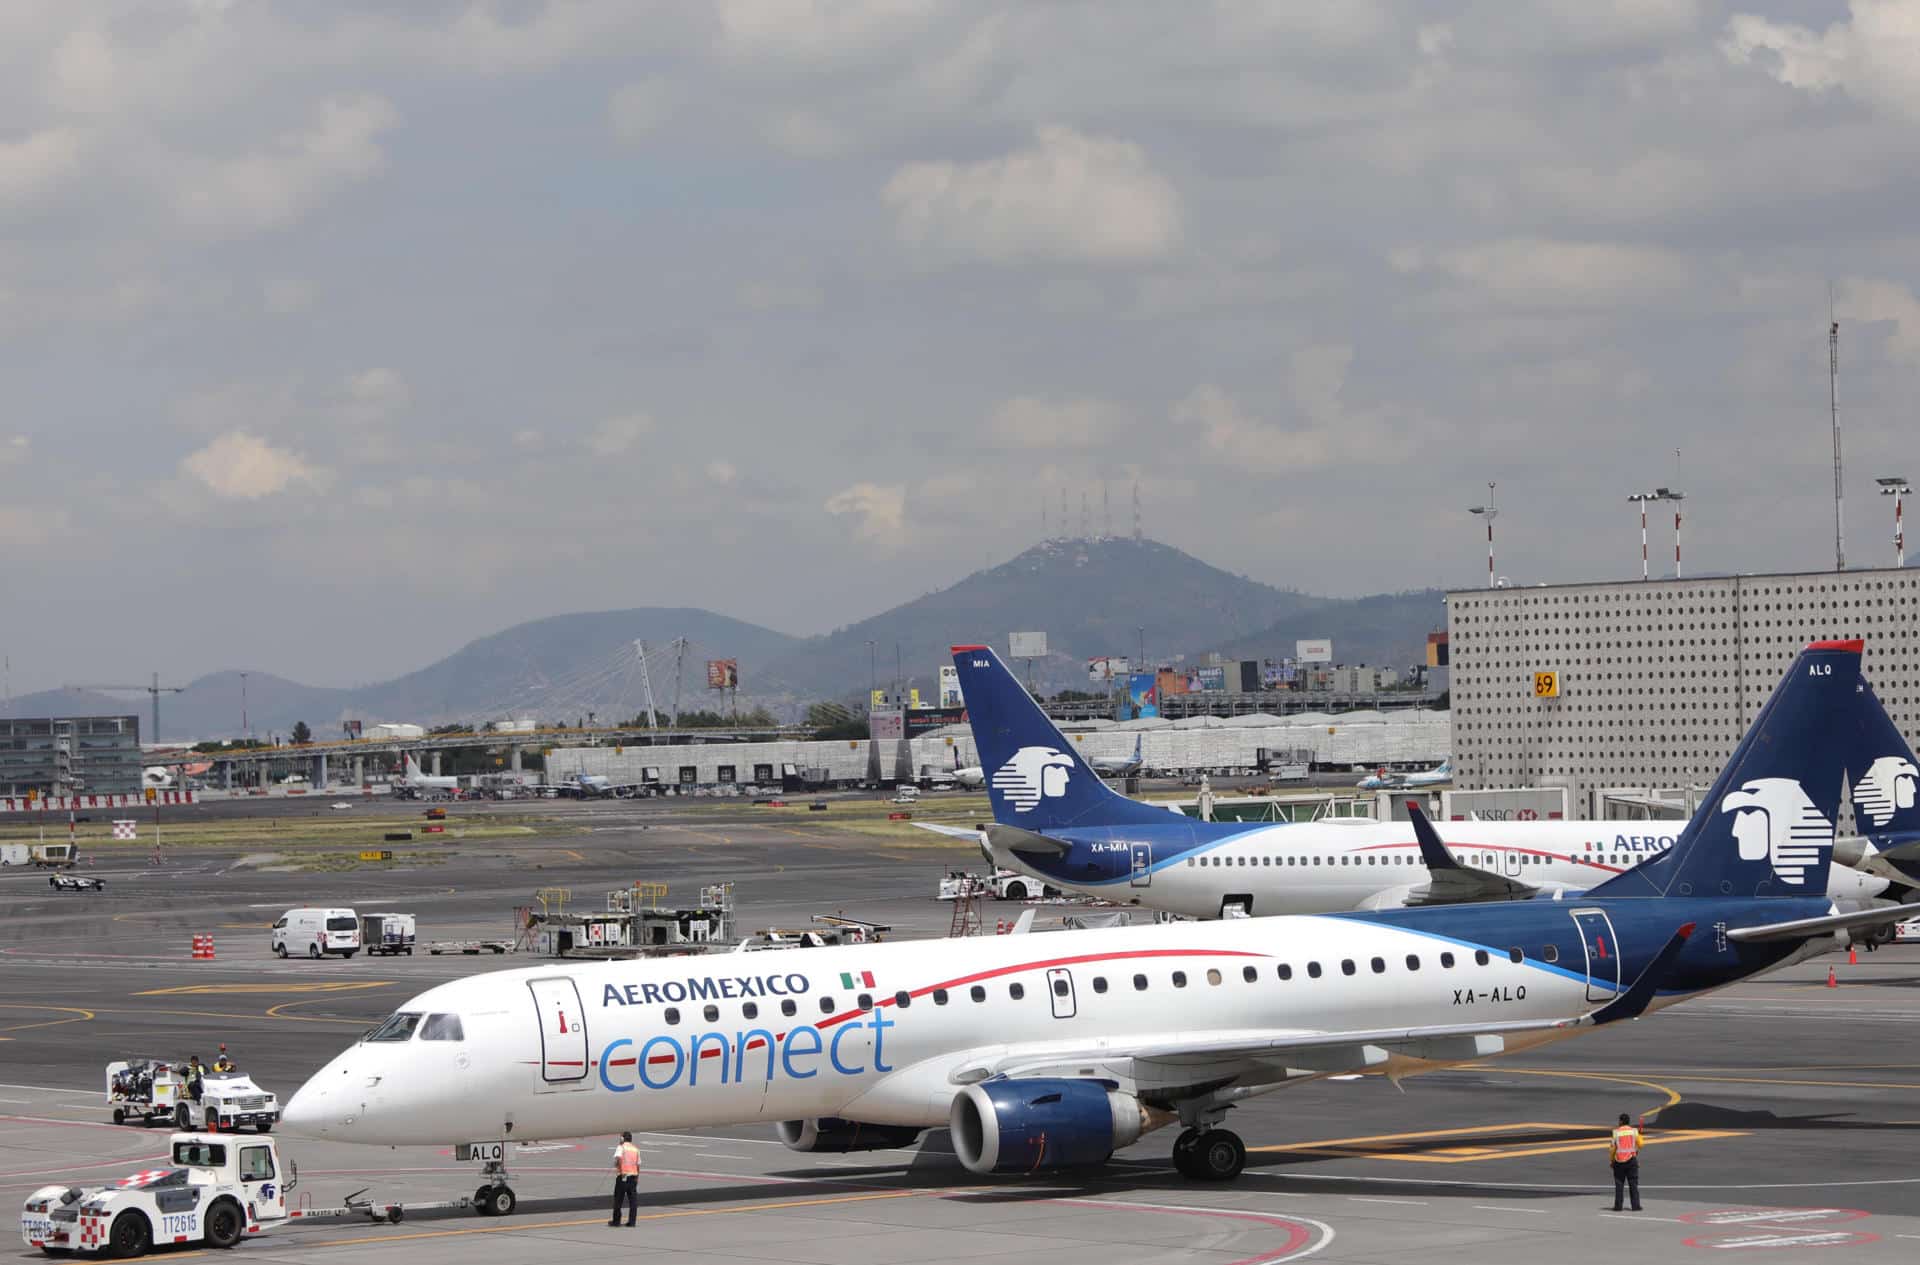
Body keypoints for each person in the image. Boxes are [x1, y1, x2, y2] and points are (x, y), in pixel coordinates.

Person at [1610, 1112, 1644, 1211]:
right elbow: (1641, 1144)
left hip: (1619, 1161)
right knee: (1633, 1183)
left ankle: (1618, 1206)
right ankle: (1635, 1205)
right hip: (1631, 1160)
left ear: (1621, 1121)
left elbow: (1612, 1149)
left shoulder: (1616, 1132)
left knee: (1619, 1184)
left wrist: (1612, 1160)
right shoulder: (1634, 1131)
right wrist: (1640, 1137)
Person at [609, 1131, 640, 1227]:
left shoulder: (621, 1147)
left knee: (618, 1199)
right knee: (633, 1201)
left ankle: (616, 1221)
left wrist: (617, 1165)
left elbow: (618, 1158)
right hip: (633, 1176)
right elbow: (638, 1165)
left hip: (623, 1176)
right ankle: (632, 1222)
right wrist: (637, 1177)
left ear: (622, 1138)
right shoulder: (636, 1149)